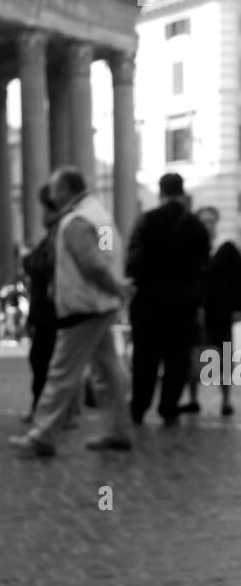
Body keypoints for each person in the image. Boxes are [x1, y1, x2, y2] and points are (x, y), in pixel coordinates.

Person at [10, 166, 134, 458]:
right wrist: (115, 288)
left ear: (64, 189)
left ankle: (42, 435)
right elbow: (104, 256)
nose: (50, 195)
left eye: (53, 189)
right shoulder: (98, 214)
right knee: (107, 369)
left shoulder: (76, 221)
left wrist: (114, 286)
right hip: (100, 304)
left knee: (62, 371)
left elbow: (92, 264)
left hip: (84, 305)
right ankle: (118, 429)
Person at [125, 173, 210, 426]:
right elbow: (203, 268)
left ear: (160, 192)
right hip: (182, 304)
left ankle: (139, 407)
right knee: (177, 358)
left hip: (148, 303)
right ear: (182, 192)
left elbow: (132, 260)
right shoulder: (196, 226)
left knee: (145, 357)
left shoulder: (147, 220)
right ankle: (168, 407)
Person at [179, 206, 241, 418]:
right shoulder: (192, 250)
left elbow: (238, 280)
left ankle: (225, 399)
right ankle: (193, 398)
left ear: (216, 222)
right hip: (196, 312)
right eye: (203, 221)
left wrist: (237, 308)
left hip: (221, 311)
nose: (207, 225)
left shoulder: (226, 249)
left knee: (223, 355)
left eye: (210, 221)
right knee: (194, 354)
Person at [21, 185, 60, 423]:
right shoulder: (53, 236)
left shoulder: (56, 236)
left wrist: (27, 258)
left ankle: (46, 410)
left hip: (50, 311)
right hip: (49, 309)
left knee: (43, 360)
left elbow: (42, 266)